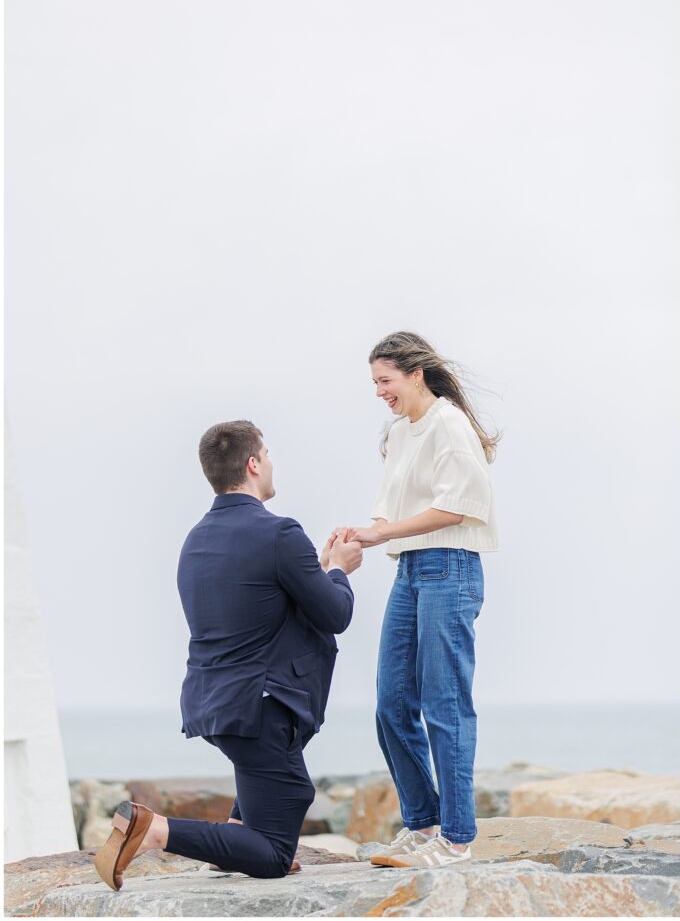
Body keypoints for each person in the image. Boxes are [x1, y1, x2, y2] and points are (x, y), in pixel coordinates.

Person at [95, 420, 362, 890]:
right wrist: (338, 570)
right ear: (253, 463)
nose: (272, 462)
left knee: (268, 803)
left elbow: (253, 610)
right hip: (259, 706)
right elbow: (335, 614)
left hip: (213, 702)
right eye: (267, 453)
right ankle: (153, 829)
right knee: (277, 853)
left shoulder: (195, 539)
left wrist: (314, 573)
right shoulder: (279, 533)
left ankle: (235, 839)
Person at [337, 331, 500, 869]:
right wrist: (358, 535)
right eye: (375, 383)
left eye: (385, 381)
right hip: (410, 570)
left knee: (444, 705)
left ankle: (455, 840)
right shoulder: (403, 432)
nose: (379, 392)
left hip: (450, 566)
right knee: (391, 703)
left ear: (415, 373)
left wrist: (383, 535)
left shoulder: (449, 424)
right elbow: (391, 514)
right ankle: (423, 823)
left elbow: (458, 507)